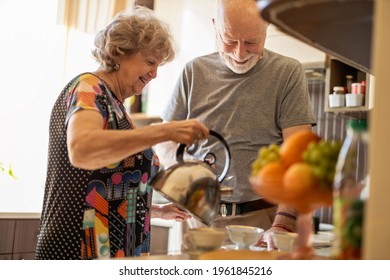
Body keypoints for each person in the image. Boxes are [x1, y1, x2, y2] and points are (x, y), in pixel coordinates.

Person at [35, 6, 209, 260]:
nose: (155, 73)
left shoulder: (115, 105)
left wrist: (155, 210)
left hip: (109, 248)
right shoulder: (89, 88)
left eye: (158, 65)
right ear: (120, 52)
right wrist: (163, 131)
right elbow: (82, 149)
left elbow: (105, 185)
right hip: (79, 249)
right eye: (150, 62)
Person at [155, 0, 316, 249]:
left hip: (263, 221)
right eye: (229, 40)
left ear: (266, 27)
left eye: (251, 42)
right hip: (199, 219)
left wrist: (283, 221)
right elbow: (165, 140)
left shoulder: (287, 73)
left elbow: (299, 153)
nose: (239, 54)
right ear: (215, 27)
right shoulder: (193, 72)